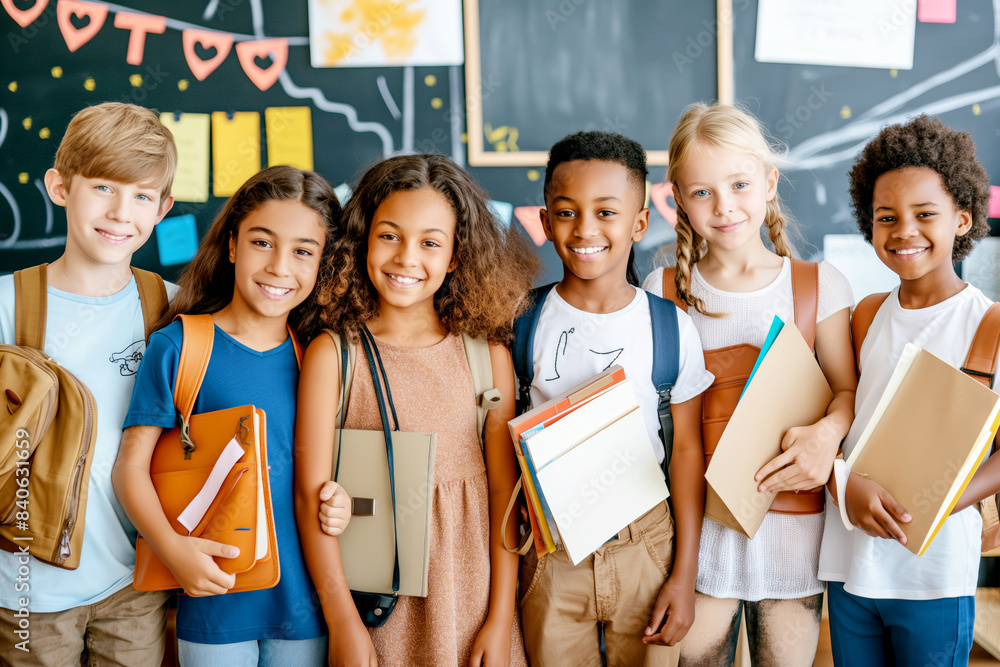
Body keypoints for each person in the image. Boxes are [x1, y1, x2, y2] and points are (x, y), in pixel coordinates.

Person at [297, 154, 538, 666]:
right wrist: (341, 621)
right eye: (389, 235)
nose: (407, 257)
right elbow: (308, 497)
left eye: (430, 242)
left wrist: (500, 618)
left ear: (455, 257)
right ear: (362, 239)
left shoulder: (485, 354)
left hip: (471, 597)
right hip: (378, 604)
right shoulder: (334, 355)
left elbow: (503, 494)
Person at [644, 103, 856, 667]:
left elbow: (848, 392)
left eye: (739, 184)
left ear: (768, 182)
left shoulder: (817, 287)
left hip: (795, 540)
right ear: (679, 200)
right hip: (700, 539)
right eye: (701, 193)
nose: (724, 206)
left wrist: (827, 434)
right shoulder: (661, 290)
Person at [113, 165, 345, 666]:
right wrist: (173, 549)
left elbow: (326, 471)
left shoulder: (322, 356)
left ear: (323, 263)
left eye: (303, 251)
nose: (280, 267)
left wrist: (339, 501)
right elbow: (130, 469)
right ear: (234, 244)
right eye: (263, 242)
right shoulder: (179, 345)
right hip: (212, 600)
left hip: (305, 606)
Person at [515, 130, 713, 667]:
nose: (585, 229)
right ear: (544, 220)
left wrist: (684, 573)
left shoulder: (670, 327)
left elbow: (688, 452)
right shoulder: (519, 322)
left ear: (640, 223)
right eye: (566, 211)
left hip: (646, 543)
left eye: (607, 212)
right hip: (551, 547)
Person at [819, 115, 1000, 666]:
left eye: (925, 215)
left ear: (962, 219)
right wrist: (843, 488)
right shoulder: (863, 317)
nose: (904, 231)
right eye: (886, 217)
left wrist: (939, 502)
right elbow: (836, 420)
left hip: (935, 573)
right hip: (852, 569)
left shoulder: (988, 327)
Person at [0, 102, 177, 666]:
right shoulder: (7, 303)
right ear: (59, 186)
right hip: (25, 589)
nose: (121, 212)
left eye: (143, 196)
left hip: (135, 586)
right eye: (103, 187)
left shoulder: (172, 308)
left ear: (163, 208)